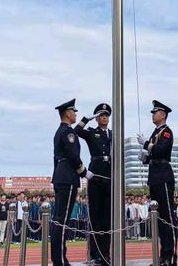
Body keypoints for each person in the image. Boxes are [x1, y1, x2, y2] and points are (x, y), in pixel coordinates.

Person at [50, 99, 93, 266]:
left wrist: (83, 121)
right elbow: (72, 154)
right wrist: (84, 172)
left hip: (60, 175)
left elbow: (60, 153)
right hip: (68, 177)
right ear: (67, 113)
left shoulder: (60, 131)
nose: (75, 114)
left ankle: (58, 259)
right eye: (74, 111)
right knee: (62, 220)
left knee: (58, 219)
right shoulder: (68, 133)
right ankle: (60, 260)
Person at [138, 100, 177, 266]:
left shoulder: (166, 132)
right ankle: (162, 257)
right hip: (154, 176)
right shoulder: (155, 133)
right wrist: (146, 158)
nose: (153, 115)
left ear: (163, 114)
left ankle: (170, 257)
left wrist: (146, 144)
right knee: (159, 219)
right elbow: (154, 154)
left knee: (167, 218)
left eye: (155, 112)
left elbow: (161, 150)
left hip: (163, 176)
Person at [75, 103, 112, 265]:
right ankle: (95, 254)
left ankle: (105, 254)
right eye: (101, 115)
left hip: (110, 177)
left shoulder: (113, 134)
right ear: (97, 118)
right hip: (95, 176)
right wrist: (85, 119)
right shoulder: (92, 133)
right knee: (95, 217)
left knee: (107, 219)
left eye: (106, 115)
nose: (104, 118)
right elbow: (76, 131)